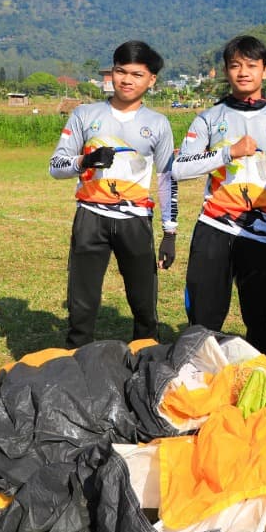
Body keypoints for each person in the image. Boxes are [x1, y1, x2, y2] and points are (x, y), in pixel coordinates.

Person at [172, 35, 266, 358]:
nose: (243, 72)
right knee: (204, 315)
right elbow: (180, 168)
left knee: (260, 319)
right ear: (227, 72)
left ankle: (260, 377)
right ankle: (198, 372)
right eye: (235, 65)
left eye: (252, 66)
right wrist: (228, 153)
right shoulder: (208, 119)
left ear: (265, 71)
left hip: (262, 233)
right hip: (214, 226)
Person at [48, 40, 178, 349]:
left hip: (135, 221)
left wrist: (169, 232)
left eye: (137, 74)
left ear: (151, 80)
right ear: (112, 73)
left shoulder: (158, 123)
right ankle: (76, 363)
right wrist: (84, 161)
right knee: (82, 302)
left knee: (144, 302)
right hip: (90, 217)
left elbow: (166, 179)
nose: (127, 80)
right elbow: (56, 166)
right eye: (121, 71)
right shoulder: (84, 115)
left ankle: (146, 362)